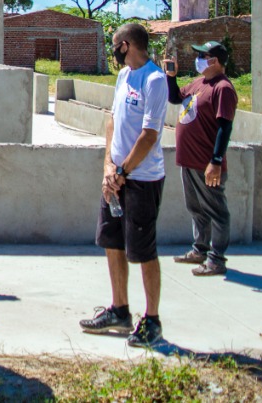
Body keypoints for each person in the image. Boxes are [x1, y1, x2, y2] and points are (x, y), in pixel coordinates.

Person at [80, 22, 167, 348]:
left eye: (115, 44)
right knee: (112, 242)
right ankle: (119, 310)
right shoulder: (123, 77)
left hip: (141, 180)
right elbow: (112, 122)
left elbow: (149, 135)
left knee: (143, 251)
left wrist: (123, 172)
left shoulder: (154, 80)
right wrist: (109, 168)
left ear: (127, 45)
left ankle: (152, 320)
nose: (112, 49)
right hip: (115, 178)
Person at [167, 40, 237, 277]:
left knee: (217, 211)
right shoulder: (199, 83)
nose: (198, 60)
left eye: (202, 56)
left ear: (214, 61)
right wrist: (171, 77)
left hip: (206, 163)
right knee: (196, 208)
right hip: (189, 160)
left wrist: (215, 161)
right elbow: (175, 97)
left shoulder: (223, 88)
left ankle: (216, 260)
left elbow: (224, 127)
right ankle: (200, 249)